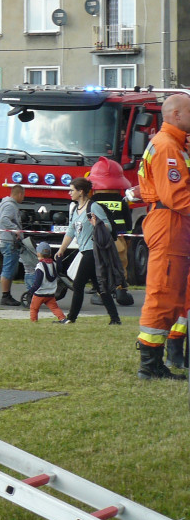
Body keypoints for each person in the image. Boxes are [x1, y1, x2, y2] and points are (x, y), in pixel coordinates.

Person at [133, 92, 190, 380]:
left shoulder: (173, 144)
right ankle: (149, 364)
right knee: (163, 293)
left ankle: (156, 360)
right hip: (170, 224)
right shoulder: (168, 146)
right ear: (177, 115)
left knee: (174, 292)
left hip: (173, 225)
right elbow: (179, 197)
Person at [55, 177, 121, 325]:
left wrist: (97, 223)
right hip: (84, 250)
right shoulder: (76, 209)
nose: (69, 193)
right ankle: (115, 319)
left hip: (93, 250)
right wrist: (61, 249)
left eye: (72, 190)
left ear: (81, 191)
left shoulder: (94, 207)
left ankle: (71, 318)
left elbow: (108, 227)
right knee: (99, 286)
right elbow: (71, 231)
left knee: (78, 284)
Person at [86, 156, 134, 306]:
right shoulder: (121, 200)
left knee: (102, 264)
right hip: (119, 237)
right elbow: (128, 221)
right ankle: (121, 291)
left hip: (100, 238)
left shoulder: (94, 201)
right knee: (120, 263)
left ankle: (102, 293)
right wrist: (129, 237)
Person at [29, 241, 69, 323]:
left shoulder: (40, 266)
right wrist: (59, 260)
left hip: (39, 294)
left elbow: (38, 282)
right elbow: (59, 270)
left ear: (38, 254)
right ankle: (63, 319)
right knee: (54, 307)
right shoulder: (54, 264)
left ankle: (33, 321)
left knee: (34, 308)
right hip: (50, 293)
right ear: (50, 254)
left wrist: (31, 290)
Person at [0, 185, 24, 306]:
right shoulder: (10, 206)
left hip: (7, 241)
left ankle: (6, 294)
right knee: (8, 269)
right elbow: (4, 220)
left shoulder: (6, 204)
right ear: (19, 194)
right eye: (23, 195)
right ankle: (5, 296)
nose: (23, 198)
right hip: (9, 242)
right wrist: (15, 229)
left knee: (10, 268)